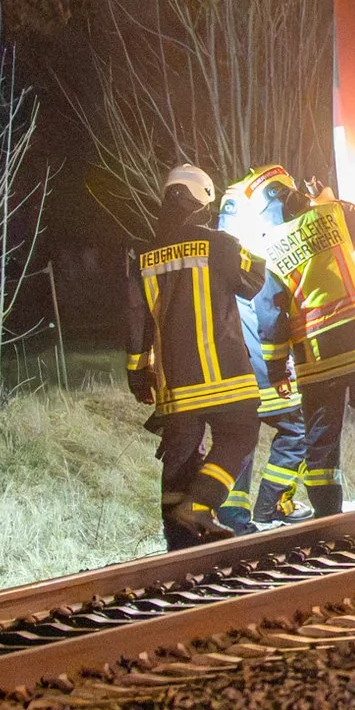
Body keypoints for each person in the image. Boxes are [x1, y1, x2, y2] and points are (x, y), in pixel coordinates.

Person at [234, 164, 355, 518]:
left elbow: (270, 314)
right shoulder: (330, 213)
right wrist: (333, 199)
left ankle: (327, 514)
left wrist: (275, 368)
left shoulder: (266, 249)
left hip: (314, 355)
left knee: (320, 433)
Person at [125, 165, 272, 548]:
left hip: (175, 386)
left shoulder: (142, 255)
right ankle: (201, 504)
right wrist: (243, 243)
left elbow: (135, 319)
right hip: (224, 376)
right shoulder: (218, 244)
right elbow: (253, 279)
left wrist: (138, 374)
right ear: (202, 202)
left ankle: (179, 548)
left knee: (179, 458)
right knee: (240, 432)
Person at [217, 172, 312, 531]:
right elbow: (271, 317)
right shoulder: (264, 255)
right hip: (266, 369)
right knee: (298, 429)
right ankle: (272, 506)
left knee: (241, 437)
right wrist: (280, 369)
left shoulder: (229, 258)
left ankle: (232, 516)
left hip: (234, 371)